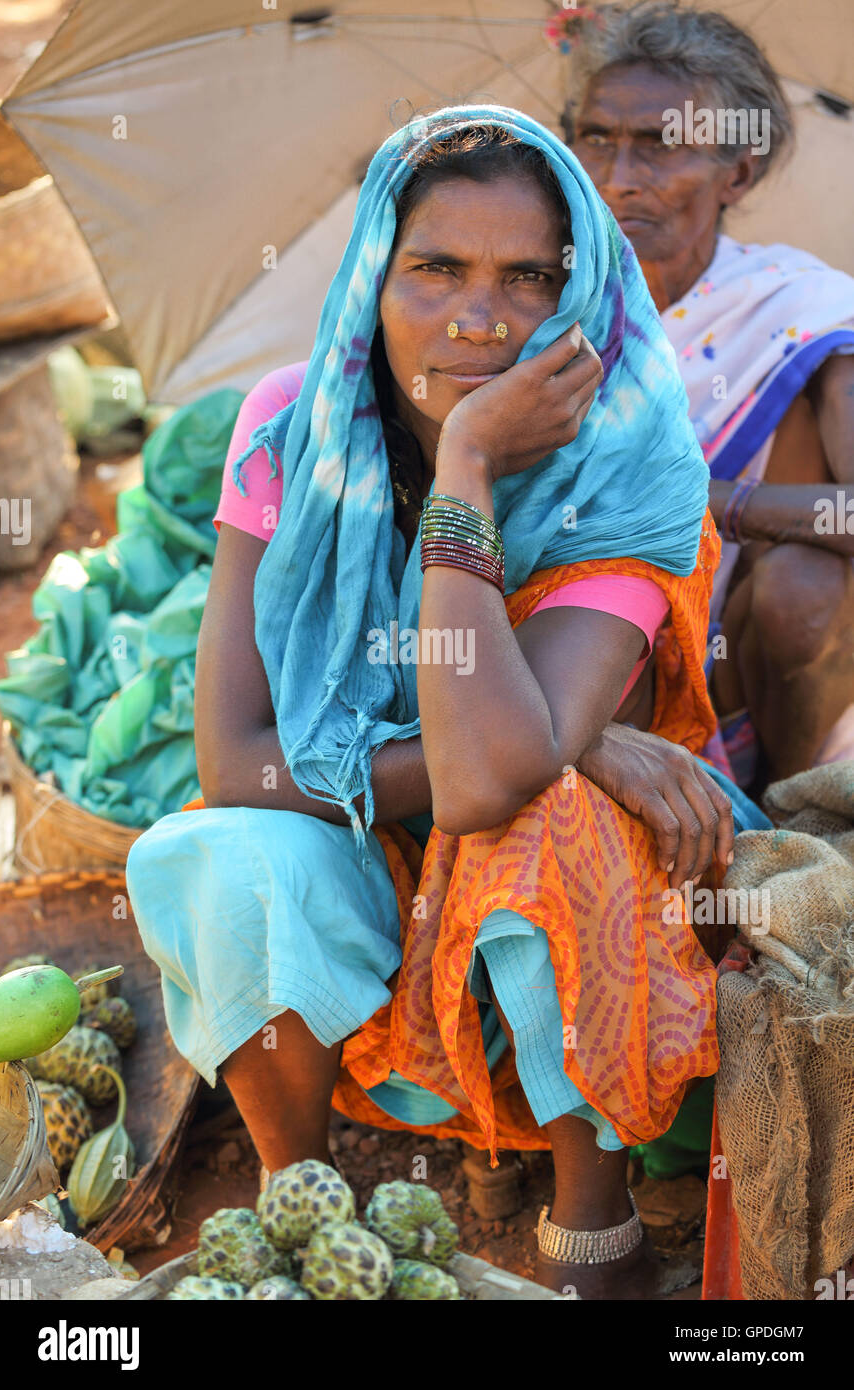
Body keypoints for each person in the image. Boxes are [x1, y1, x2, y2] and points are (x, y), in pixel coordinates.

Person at [126, 104, 768, 1300]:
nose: (479, 317)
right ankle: (300, 1199)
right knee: (215, 854)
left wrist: (464, 465)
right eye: (435, 268)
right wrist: (568, 744)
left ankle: (594, 1220)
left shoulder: (627, 463)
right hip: (366, 858)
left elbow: (491, 782)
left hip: (604, 898)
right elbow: (233, 759)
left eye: (528, 277)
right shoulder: (290, 429)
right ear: (373, 273)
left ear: (577, 299)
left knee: (540, 816)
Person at [560, 1, 854, 791]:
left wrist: (709, 499)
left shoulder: (805, 310)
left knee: (804, 584)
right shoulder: (538, 306)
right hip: (579, 659)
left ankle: (791, 811)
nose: (620, 180)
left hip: (752, 682)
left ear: (739, 172)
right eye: (596, 139)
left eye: (662, 146)